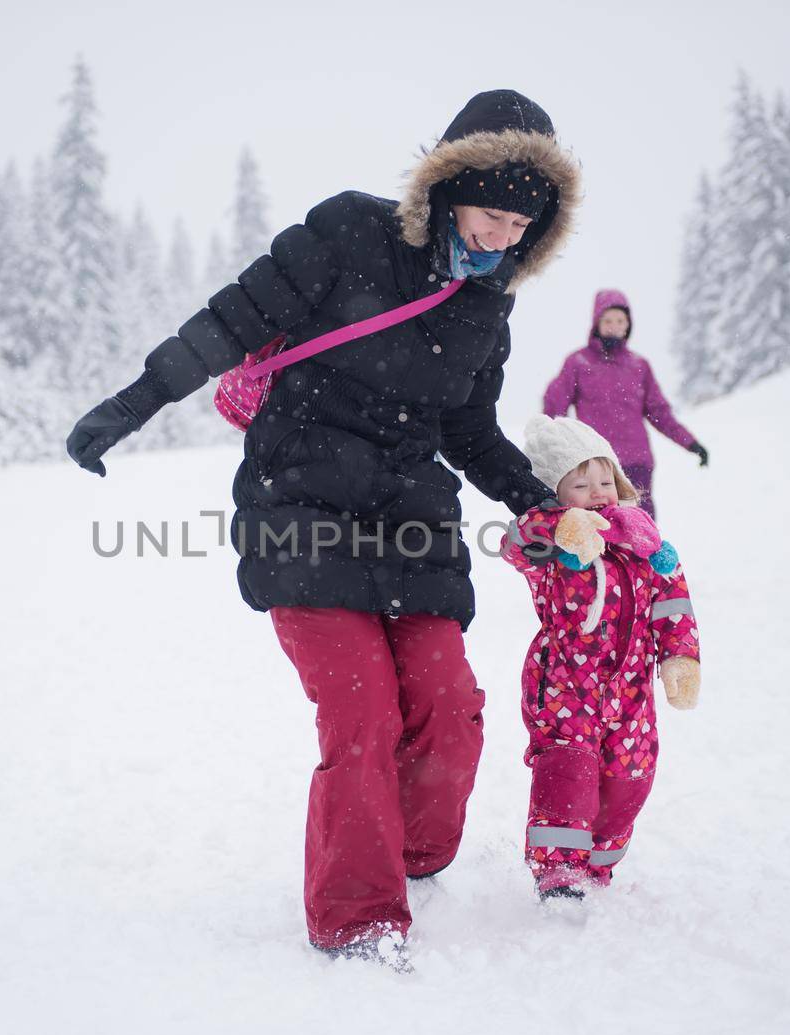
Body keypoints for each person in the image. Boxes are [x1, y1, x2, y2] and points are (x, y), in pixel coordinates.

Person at [66, 90, 582, 970]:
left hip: (413, 523)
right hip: (298, 505)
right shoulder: (350, 232)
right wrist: (135, 401)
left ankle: (413, 858)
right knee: (360, 713)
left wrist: (534, 502)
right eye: (493, 215)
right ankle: (358, 915)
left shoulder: (487, 309)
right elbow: (230, 321)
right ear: (451, 186)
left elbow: (469, 431)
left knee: (449, 709)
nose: (503, 239)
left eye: (521, 229)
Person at [501, 414, 701, 899]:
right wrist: (562, 526)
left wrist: (680, 657)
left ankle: (599, 863)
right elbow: (517, 543)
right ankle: (559, 870)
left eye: (605, 479)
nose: (598, 491)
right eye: (580, 483)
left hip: (631, 689)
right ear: (556, 491)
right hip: (566, 684)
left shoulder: (648, 546)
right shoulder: (554, 544)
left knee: (630, 777)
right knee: (569, 770)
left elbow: (673, 602)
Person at [541, 289, 708, 518]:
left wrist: (691, 443)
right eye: (607, 320)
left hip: (636, 462)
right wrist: (550, 444)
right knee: (597, 527)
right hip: (597, 464)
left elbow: (660, 414)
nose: (614, 325)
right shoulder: (578, 363)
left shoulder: (639, 366)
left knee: (640, 527)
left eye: (620, 320)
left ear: (628, 325)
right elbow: (554, 407)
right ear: (596, 323)